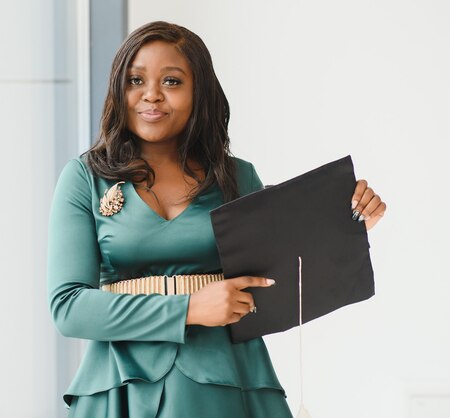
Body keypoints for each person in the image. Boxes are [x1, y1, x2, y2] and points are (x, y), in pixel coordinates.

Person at [46, 21, 386, 418]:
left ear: (199, 93)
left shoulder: (238, 177)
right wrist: (188, 309)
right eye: (135, 80)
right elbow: (68, 308)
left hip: (226, 384)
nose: (151, 95)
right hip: (118, 388)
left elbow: (279, 285)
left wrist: (349, 225)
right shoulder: (85, 177)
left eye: (171, 82)